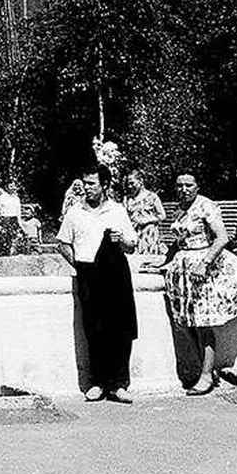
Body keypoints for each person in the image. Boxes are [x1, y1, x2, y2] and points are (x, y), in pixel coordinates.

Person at [56, 164, 138, 404]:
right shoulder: (74, 212)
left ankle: (119, 384)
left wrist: (122, 240)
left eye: (92, 183)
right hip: (89, 275)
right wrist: (80, 267)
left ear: (104, 185)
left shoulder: (117, 211)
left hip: (116, 274)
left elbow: (132, 245)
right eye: (85, 183)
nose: (86, 188)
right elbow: (62, 244)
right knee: (94, 329)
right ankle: (96, 383)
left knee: (121, 329)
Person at [161, 174, 237, 395]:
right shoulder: (180, 209)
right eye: (179, 185)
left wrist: (205, 262)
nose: (183, 189)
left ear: (197, 186)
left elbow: (222, 237)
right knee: (186, 322)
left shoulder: (206, 206)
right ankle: (204, 368)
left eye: (188, 185)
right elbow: (179, 241)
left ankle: (207, 375)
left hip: (202, 267)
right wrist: (163, 262)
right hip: (183, 268)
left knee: (203, 322)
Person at [123, 170, 167, 255]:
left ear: (141, 181)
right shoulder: (127, 199)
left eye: (132, 183)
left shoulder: (152, 197)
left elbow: (162, 215)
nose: (130, 186)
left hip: (148, 233)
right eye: (128, 184)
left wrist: (146, 220)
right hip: (133, 232)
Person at [0, 182, 23, 256]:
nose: (13, 188)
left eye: (14, 186)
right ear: (7, 188)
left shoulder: (17, 199)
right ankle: (4, 251)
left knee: (15, 235)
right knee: (4, 235)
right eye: (11, 186)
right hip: (5, 219)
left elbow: (18, 212)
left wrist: (20, 223)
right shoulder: (2, 198)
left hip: (14, 220)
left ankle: (12, 251)